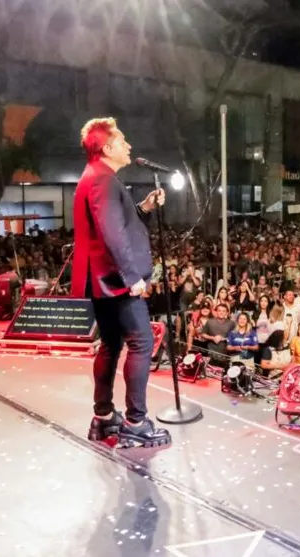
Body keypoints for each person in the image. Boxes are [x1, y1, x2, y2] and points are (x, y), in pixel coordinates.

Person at [71, 117, 171, 448]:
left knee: (111, 344)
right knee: (141, 343)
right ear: (108, 147)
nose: (129, 145)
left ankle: (103, 418)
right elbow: (112, 234)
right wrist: (132, 278)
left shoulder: (95, 178)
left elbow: (119, 224)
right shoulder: (103, 181)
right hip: (116, 281)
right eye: (123, 140)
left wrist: (143, 207)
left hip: (102, 280)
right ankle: (136, 423)